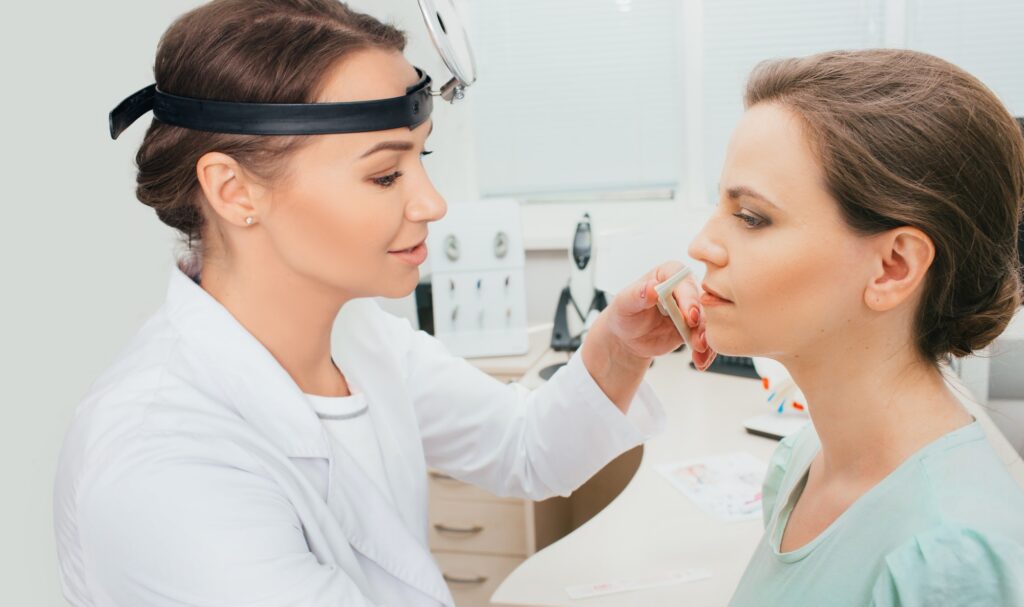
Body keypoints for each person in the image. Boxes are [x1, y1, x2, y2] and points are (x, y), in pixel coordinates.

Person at [53, 1, 715, 606]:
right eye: (385, 174)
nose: (432, 203)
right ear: (234, 191)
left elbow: (525, 447)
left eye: (420, 157)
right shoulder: (161, 460)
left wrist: (621, 347)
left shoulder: (356, 338)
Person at [686, 49, 1024, 606]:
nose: (702, 244)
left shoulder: (952, 560)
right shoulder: (801, 463)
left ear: (894, 267)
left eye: (751, 217)